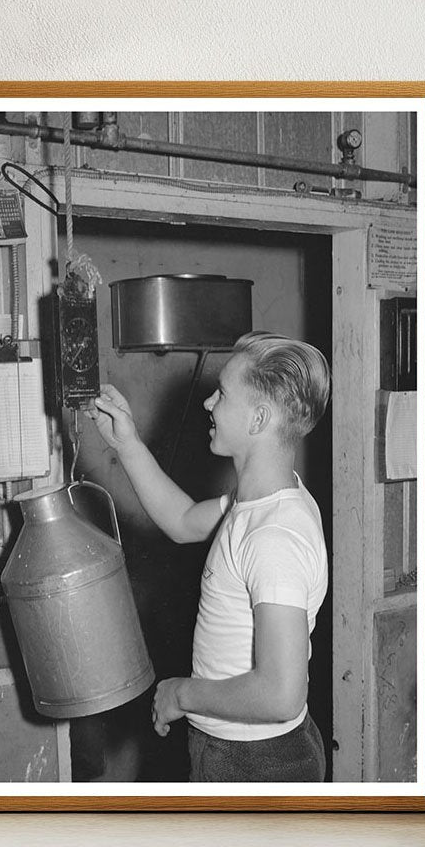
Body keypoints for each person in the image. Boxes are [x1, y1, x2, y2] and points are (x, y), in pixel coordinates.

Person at [85, 331, 331, 782]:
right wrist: (127, 442)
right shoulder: (258, 502)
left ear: (258, 419)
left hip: (255, 761)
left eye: (223, 394)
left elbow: (281, 695)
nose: (209, 403)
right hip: (239, 749)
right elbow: (181, 520)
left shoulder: (273, 536)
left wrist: (180, 694)